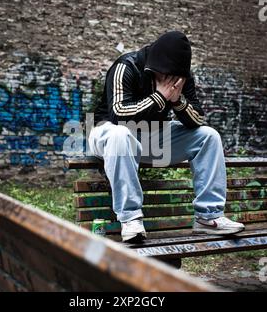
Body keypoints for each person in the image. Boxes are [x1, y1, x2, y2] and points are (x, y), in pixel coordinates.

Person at [88, 31, 244, 242]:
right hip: (108, 134)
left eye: (175, 77)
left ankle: (208, 218)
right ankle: (130, 219)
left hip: (152, 139)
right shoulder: (126, 66)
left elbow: (197, 119)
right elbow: (119, 114)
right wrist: (160, 96)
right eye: (164, 75)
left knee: (208, 136)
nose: (169, 81)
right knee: (121, 134)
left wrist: (178, 101)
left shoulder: (181, 77)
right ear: (153, 66)